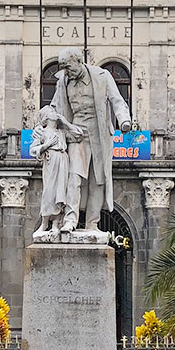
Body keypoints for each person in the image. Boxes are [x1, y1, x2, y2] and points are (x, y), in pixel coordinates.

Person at [42, 47, 132, 232]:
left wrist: (124, 120)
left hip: (99, 134)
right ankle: (71, 219)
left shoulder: (102, 76)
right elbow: (55, 106)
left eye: (68, 66)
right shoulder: (63, 81)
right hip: (76, 133)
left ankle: (92, 223)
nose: (66, 71)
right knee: (73, 177)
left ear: (78, 60)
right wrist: (49, 118)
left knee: (97, 180)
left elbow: (117, 100)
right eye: (63, 68)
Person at [29, 106, 80, 234]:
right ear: (46, 118)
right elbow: (32, 150)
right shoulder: (42, 132)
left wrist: (66, 123)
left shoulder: (61, 132)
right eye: (51, 112)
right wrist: (46, 145)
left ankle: (56, 224)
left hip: (63, 159)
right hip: (51, 159)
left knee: (60, 191)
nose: (54, 113)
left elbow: (79, 134)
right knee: (49, 191)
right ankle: (45, 223)